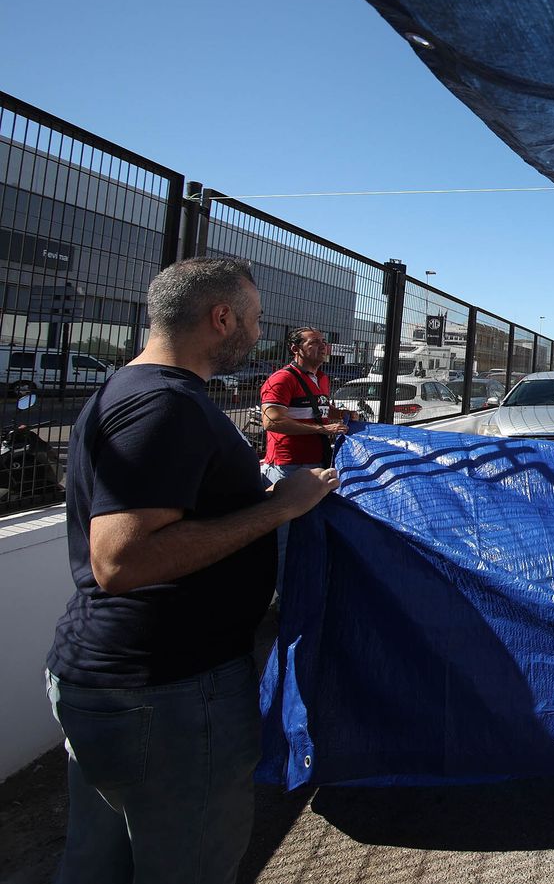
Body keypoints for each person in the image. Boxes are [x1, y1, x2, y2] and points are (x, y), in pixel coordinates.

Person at [44, 258, 339, 884]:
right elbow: (120, 561)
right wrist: (279, 508)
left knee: (98, 867)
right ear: (222, 317)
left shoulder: (131, 392)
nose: (258, 336)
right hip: (165, 693)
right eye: (254, 321)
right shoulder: (163, 407)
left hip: (126, 684)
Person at [260, 326, 349, 484]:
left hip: (319, 460)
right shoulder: (282, 379)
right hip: (288, 465)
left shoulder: (321, 378)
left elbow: (320, 408)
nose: (323, 346)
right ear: (296, 349)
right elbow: (271, 421)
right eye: (314, 342)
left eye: (324, 341)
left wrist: (343, 414)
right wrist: (322, 429)